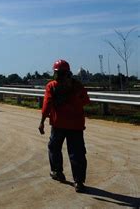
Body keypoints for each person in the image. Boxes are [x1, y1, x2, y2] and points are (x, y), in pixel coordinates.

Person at [38, 59, 90, 193]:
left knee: (54, 148)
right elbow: (86, 101)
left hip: (58, 124)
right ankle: (79, 182)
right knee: (77, 153)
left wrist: (42, 121)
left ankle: (57, 172)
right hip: (76, 125)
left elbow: (46, 105)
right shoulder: (77, 85)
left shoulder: (52, 86)